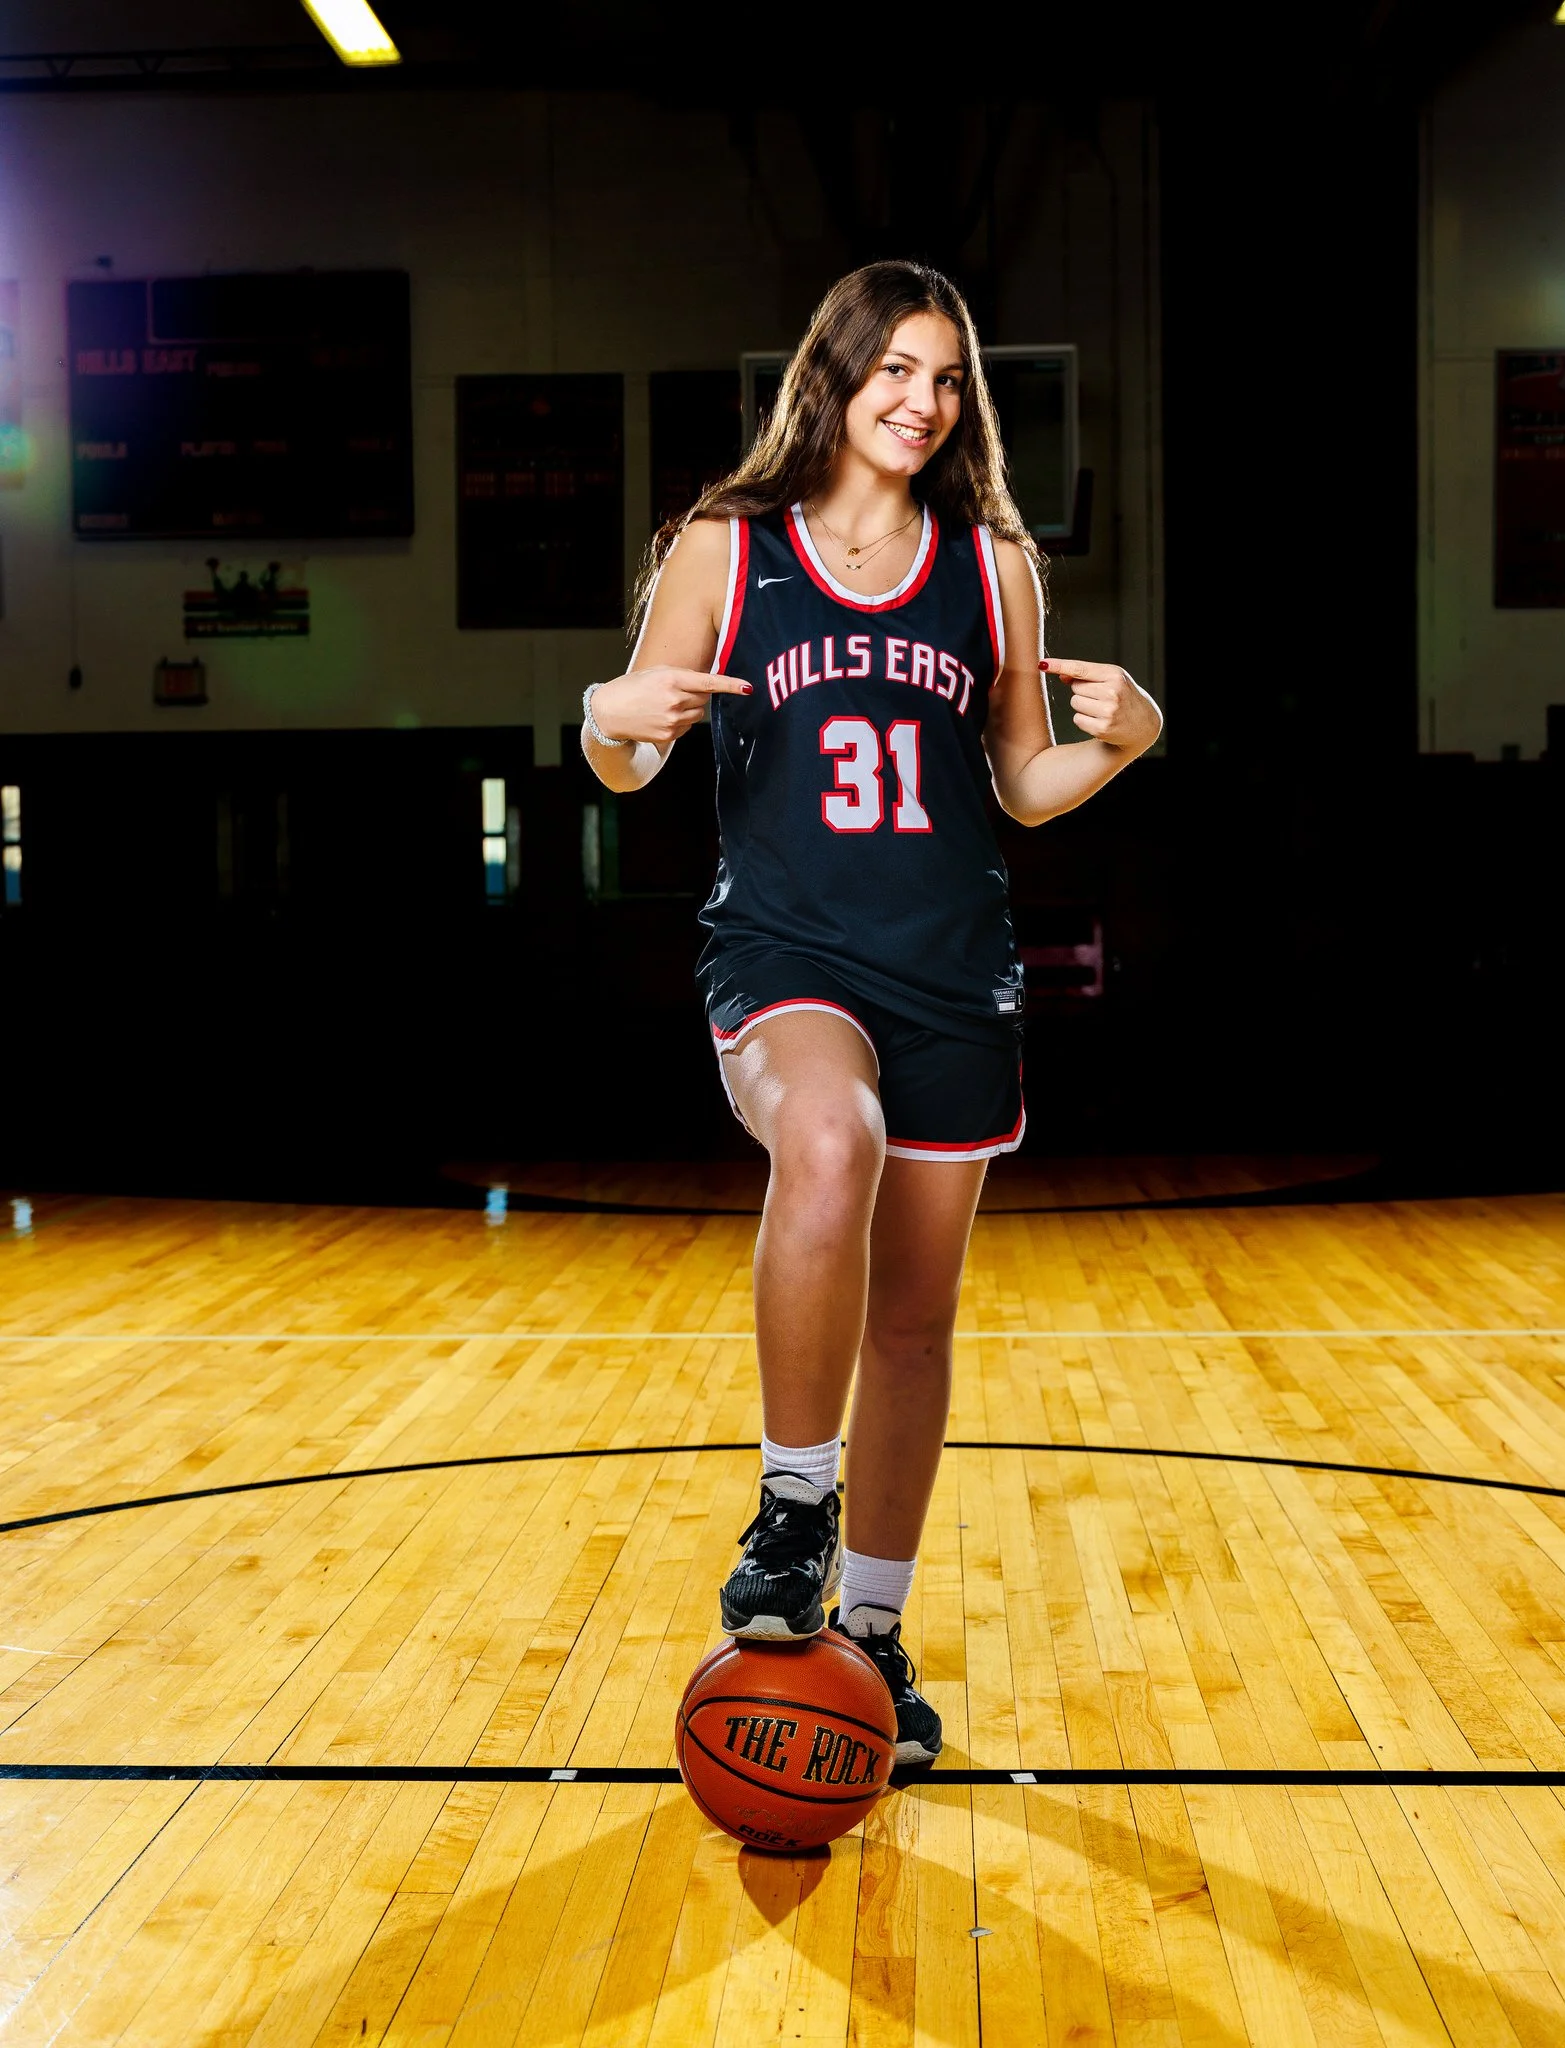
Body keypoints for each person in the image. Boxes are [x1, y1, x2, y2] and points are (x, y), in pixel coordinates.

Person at [581, 261, 1162, 1765]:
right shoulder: (728, 545)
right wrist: (600, 719)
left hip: (951, 969)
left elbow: (1025, 784)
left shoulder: (990, 569)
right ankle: (790, 1511)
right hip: (785, 956)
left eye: (947, 377)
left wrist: (1130, 745)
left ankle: (878, 1641)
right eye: (894, 369)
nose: (921, 401)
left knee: (912, 1328)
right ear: (832, 379)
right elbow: (632, 760)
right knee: (823, 1138)